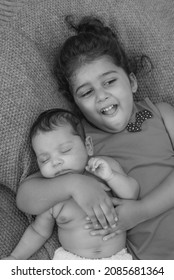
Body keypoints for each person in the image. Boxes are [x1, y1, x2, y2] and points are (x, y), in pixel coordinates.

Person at [16, 16, 174, 260]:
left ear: (132, 82)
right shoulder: (80, 140)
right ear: (76, 103)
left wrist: (142, 210)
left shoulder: (161, 113)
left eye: (109, 81)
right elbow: (26, 197)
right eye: (87, 92)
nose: (101, 96)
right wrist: (74, 184)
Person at [5, 108, 138, 260]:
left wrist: (111, 176)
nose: (55, 162)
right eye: (44, 159)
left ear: (88, 146)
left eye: (65, 150)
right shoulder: (51, 195)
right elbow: (39, 231)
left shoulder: (102, 168)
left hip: (118, 259)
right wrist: (15, 258)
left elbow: (132, 194)